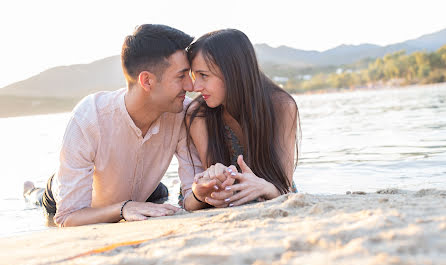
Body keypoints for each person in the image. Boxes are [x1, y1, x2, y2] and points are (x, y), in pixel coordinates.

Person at [24, 24, 204, 227]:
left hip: (143, 192)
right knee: (38, 199)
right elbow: (67, 217)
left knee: (161, 193)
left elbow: (192, 193)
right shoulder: (89, 118)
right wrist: (123, 208)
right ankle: (30, 190)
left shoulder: (182, 112)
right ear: (147, 81)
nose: (191, 86)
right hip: (69, 197)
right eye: (181, 76)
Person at [182, 29, 300, 211]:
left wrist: (264, 187)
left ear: (233, 72)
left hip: (273, 195)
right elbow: (213, 185)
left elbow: (284, 186)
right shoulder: (198, 114)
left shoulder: (281, 106)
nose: (196, 86)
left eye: (203, 75)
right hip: (226, 202)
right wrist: (217, 184)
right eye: (194, 76)